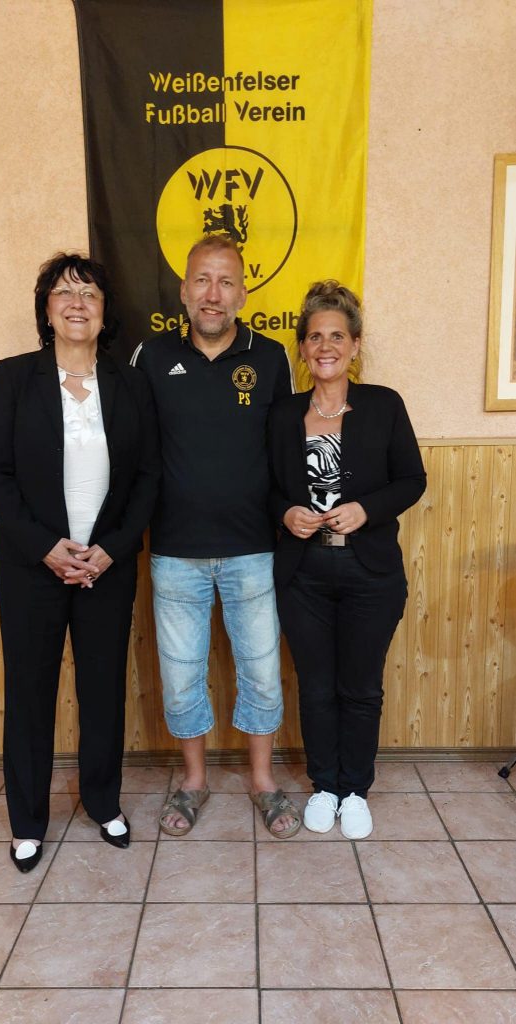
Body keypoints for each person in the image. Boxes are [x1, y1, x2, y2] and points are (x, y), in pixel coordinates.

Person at [0, 253, 160, 871]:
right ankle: (27, 821)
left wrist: (112, 548)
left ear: (105, 313)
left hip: (107, 565)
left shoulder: (131, 384)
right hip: (31, 566)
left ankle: (103, 802)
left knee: (103, 690)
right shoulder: (13, 377)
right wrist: (46, 547)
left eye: (90, 294)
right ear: (46, 310)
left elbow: (148, 477)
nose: (77, 303)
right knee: (30, 692)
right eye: (64, 292)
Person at [132, 235, 301, 838]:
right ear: (183, 290)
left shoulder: (271, 357)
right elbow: (133, 449)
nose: (213, 293)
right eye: (202, 280)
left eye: (226, 282)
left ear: (243, 294)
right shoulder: (150, 356)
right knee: (181, 676)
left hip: (254, 548)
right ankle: (194, 780)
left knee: (261, 672)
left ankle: (263, 782)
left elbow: (287, 452)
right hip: (174, 551)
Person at [268, 281, 426, 839]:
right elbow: (265, 489)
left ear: (355, 345)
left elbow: (412, 479)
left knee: (360, 687)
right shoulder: (283, 413)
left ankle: (355, 789)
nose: (326, 346)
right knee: (315, 687)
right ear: (303, 348)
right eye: (315, 337)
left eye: (337, 335)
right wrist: (286, 512)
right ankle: (325, 785)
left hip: (370, 573)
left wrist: (366, 509)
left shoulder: (383, 405)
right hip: (302, 575)